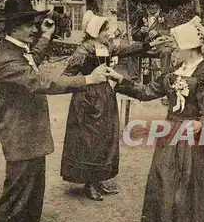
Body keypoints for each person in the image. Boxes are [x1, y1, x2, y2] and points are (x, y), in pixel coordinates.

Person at [106, 16, 204, 222]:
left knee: (189, 191)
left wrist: (201, 123)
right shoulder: (174, 71)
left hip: (194, 143)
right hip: (170, 136)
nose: (174, 50)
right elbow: (147, 92)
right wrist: (120, 80)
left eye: (177, 45)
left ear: (189, 46)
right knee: (165, 185)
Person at [0, 0, 110, 222]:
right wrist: (88, 79)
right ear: (12, 27)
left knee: (32, 196)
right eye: (29, 25)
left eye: (35, 23)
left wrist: (46, 35)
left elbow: (34, 59)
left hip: (31, 138)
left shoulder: (18, 51)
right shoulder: (6, 60)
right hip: (21, 140)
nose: (34, 29)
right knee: (17, 198)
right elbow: (42, 82)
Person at [60, 11, 168, 201]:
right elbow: (66, 77)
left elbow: (126, 50)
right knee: (90, 140)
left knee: (105, 138)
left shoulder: (106, 46)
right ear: (95, 32)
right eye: (105, 30)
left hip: (105, 97)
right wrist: (87, 80)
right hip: (87, 100)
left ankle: (99, 179)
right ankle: (90, 183)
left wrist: (149, 44)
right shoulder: (83, 50)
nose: (109, 33)